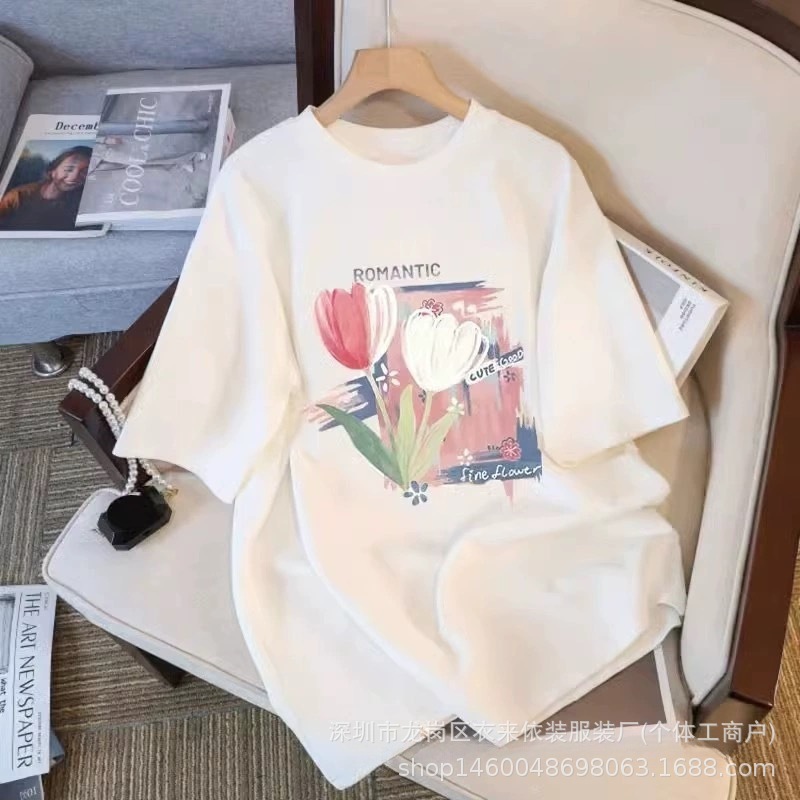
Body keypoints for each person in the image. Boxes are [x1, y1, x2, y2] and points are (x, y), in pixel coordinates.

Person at [0, 146, 92, 231]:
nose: (74, 177)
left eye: (84, 172)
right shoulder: (18, 196)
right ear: (52, 171)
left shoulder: (80, 202)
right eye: (68, 169)